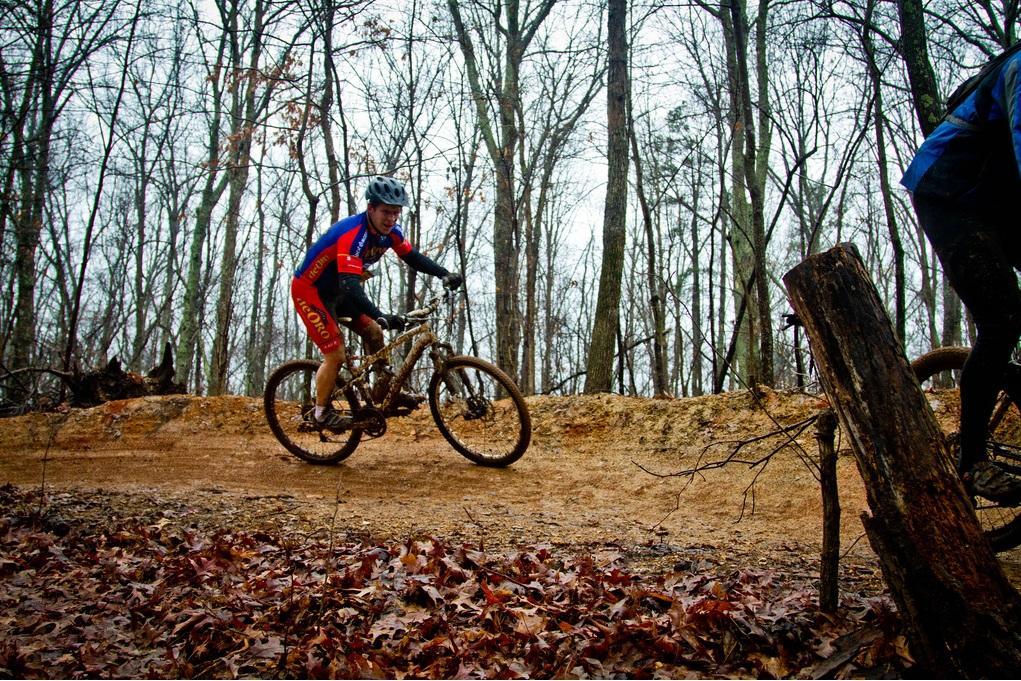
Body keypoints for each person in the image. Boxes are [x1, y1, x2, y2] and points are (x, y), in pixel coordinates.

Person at [901, 48, 1021, 504]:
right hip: (949, 193)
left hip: (994, 202)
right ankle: (972, 462)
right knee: (1002, 319)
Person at [291, 175, 463, 430]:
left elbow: (412, 257)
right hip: (311, 291)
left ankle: (383, 394)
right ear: (370, 208)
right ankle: (320, 412)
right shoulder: (353, 234)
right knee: (335, 354)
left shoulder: (391, 232)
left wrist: (443, 273)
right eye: (385, 212)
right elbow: (351, 285)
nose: (391, 219)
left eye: (396, 213)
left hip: (338, 291)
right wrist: (379, 313)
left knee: (374, 331)